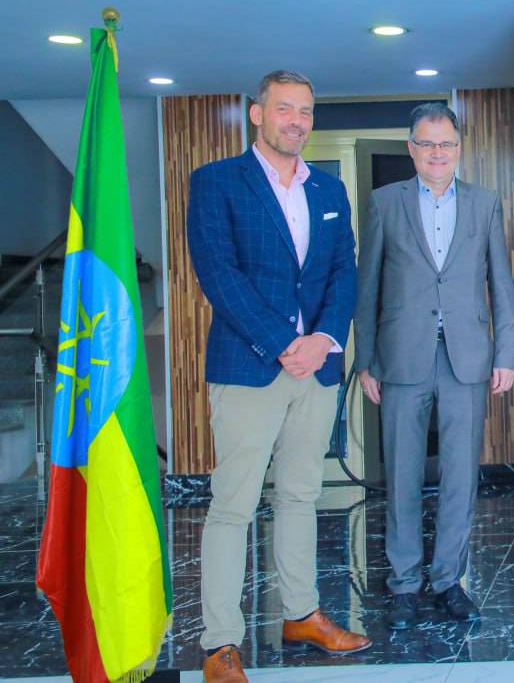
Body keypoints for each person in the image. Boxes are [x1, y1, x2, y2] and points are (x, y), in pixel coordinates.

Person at [187, 71, 367, 683]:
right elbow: (219, 273)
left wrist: (322, 340)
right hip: (250, 366)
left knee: (300, 495)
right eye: (285, 108)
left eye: (306, 111)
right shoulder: (217, 182)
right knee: (232, 504)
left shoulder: (329, 188)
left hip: (315, 368)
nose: (297, 121)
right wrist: (284, 342)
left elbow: (344, 270)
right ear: (257, 114)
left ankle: (301, 614)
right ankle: (220, 644)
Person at [353, 102, 514, 629]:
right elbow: (368, 285)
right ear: (412, 149)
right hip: (401, 355)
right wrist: (366, 360)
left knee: (460, 474)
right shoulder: (385, 202)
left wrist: (506, 353)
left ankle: (449, 580)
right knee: (401, 472)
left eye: (446, 143)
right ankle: (403, 584)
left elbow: (501, 282)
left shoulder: (484, 203)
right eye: (427, 144)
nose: (437, 153)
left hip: (467, 357)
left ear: (459, 147)